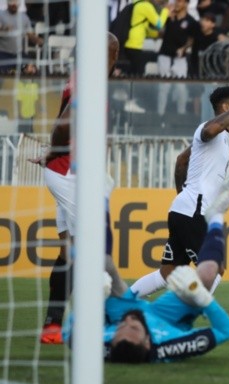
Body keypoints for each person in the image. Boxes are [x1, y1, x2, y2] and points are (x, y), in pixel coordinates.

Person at [64, 179, 229, 363]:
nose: (129, 323)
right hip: (166, 318)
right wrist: (203, 298)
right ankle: (216, 216)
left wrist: (90, 301)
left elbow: (68, 333)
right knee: (208, 274)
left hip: (120, 311)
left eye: (118, 329)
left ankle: (103, 197)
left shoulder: (110, 340)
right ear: (148, 343)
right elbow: (226, 330)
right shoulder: (170, 345)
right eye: (133, 329)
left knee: (101, 265)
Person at [130, 86, 229, 297]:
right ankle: (182, 313)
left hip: (186, 210)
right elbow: (208, 131)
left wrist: (182, 198)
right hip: (193, 211)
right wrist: (187, 202)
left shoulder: (221, 139)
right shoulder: (207, 130)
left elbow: (181, 160)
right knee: (215, 268)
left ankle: (121, 305)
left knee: (167, 274)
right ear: (226, 107)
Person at [32, 32, 121, 345]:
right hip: (71, 172)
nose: (115, 60)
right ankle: (109, 318)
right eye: (113, 53)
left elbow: (65, 120)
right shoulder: (91, 80)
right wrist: (53, 153)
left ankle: (53, 325)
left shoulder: (81, 76)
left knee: (69, 252)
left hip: (69, 170)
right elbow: (66, 124)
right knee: (92, 249)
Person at [157, 0, 196, 117]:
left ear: (186, 3)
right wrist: (166, 17)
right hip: (165, 55)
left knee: (181, 87)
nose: (177, 4)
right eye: (176, 1)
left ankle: (181, 114)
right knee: (164, 87)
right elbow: (158, 32)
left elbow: (192, 39)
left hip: (180, 57)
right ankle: (160, 113)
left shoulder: (191, 20)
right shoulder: (168, 17)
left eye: (180, 1)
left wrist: (184, 48)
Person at [0, 0, 43, 73]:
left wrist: (38, 40)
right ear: (7, 2)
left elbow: (30, 35)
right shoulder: (1, 15)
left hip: (18, 54)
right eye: (11, 2)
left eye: (16, 2)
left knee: (32, 69)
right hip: (3, 53)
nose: (14, 4)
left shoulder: (24, 18)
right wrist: (3, 29)